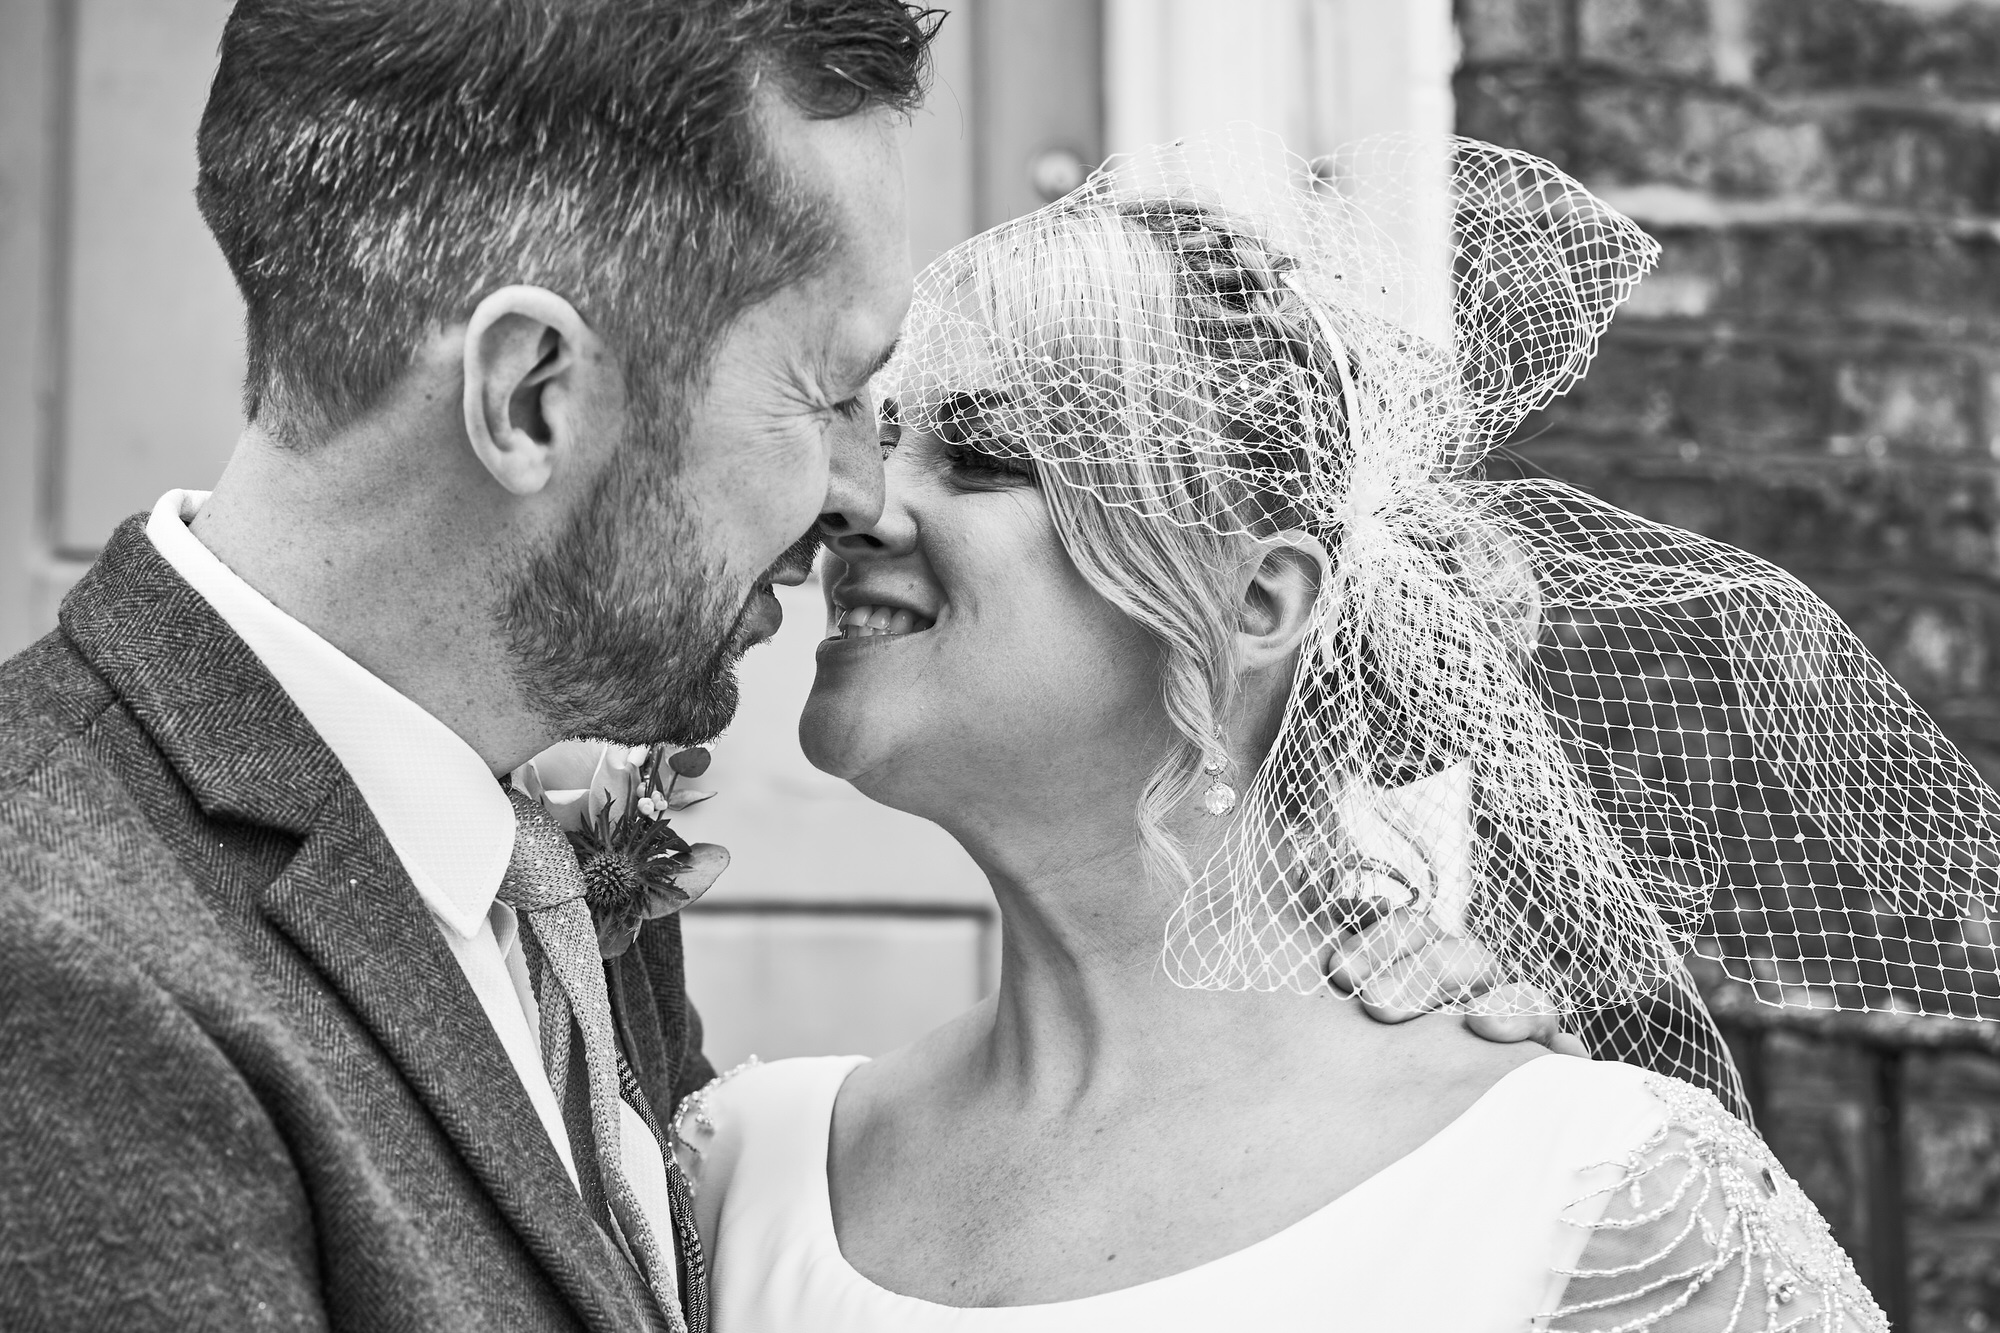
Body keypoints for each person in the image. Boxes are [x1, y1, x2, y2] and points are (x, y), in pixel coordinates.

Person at [0, 9, 1557, 1332]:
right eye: (830, 392)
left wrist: (1294, 937)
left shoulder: (541, 877)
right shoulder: (63, 974)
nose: (868, 499)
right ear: (534, 398)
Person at [672, 133, 1996, 1330]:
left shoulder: (1582, 1200)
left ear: (1258, 600)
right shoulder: (747, 1172)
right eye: (882, 435)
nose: (855, 505)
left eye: (983, 455)